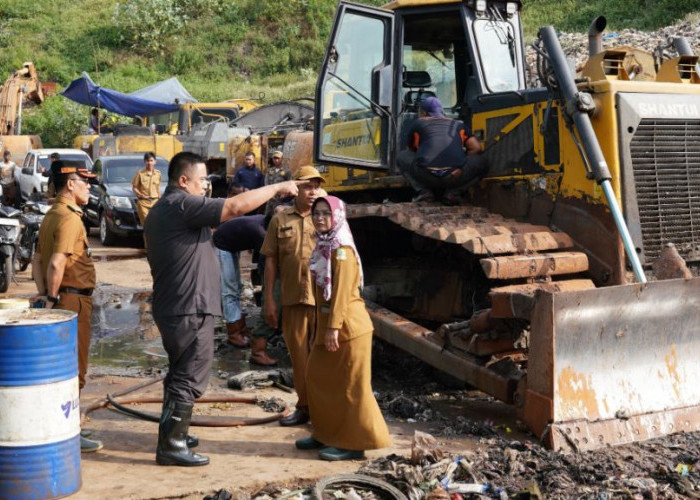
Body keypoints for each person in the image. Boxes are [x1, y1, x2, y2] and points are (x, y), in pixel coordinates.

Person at [144, 152, 300, 467]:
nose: (205, 187)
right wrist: (278, 187)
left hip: (179, 305)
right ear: (183, 180)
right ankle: (172, 445)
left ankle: (177, 434)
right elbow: (234, 207)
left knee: (180, 372)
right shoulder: (180, 204)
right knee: (189, 375)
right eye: (202, 180)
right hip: (188, 307)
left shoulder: (170, 209)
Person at [295, 195, 390, 461]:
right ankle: (325, 433)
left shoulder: (342, 250)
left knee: (351, 386)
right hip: (330, 326)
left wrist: (333, 327)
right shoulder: (323, 245)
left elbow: (342, 294)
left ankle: (354, 443)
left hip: (348, 328)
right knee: (317, 378)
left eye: (326, 213)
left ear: (337, 216)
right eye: (316, 213)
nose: (320, 218)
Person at [31, 161, 104, 453]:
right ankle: (70, 431)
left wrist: (44, 294)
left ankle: (62, 428)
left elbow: (37, 260)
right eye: (84, 182)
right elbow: (57, 261)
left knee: (59, 369)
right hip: (72, 300)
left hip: (60, 298)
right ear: (70, 185)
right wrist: (52, 296)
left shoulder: (51, 215)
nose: (89, 187)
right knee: (75, 371)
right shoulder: (71, 218)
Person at [260, 165, 325, 425]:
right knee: (299, 358)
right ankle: (305, 407)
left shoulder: (325, 217)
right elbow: (271, 263)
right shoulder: (280, 219)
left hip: (322, 301)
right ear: (295, 188)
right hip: (293, 300)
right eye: (307, 186)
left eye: (316, 186)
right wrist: (269, 300)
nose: (312, 191)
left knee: (322, 358)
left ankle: (324, 411)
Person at [397, 96, 487, 204]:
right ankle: (453, 193)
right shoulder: (458, 124)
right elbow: (476, 148)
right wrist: (463, 162)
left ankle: (424, 192)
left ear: (423, 113)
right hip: (454, 176)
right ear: (441, 111)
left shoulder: (418, 123)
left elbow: (410, 151)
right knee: (482, 162)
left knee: (402, 157)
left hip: (426, 175)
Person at [131, 152, 162, 231]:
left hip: (155, 202)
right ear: (145, 162)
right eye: (147, 161)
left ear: (155, 161)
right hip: (143, 203)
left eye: (151, 160)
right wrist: (141, 195)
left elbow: (158, 187)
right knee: (147, 226)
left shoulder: (158, 174)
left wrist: (160, 200)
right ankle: (148, 243)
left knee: (156, 225)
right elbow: (134, 187)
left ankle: (154, 243)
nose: (149, 163)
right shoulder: (140, 174)